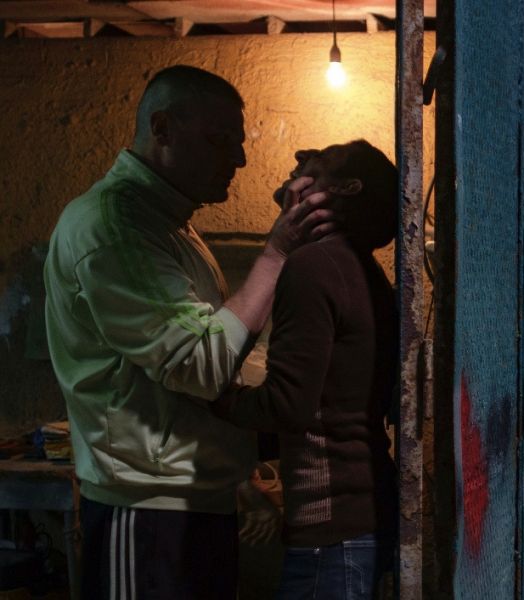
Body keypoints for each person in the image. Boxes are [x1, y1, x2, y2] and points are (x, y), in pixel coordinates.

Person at [43, 64, 334, 600]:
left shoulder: (170, 224)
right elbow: (201, 366)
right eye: (220, 140)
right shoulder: (115, 227)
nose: (239, 160)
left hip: (187, 503)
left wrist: (239, 473)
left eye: (239, 142)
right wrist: (276, 252)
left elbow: (209, 365)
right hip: (148, 513)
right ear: (162, 129)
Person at [216, 139, 399, 600]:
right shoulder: (359, 268)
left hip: (331, 530)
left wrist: (209, 393)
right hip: (361, 516)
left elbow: (287, 406)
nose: (300, 155)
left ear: (344, 188)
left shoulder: (313, 266)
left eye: (324, 155)